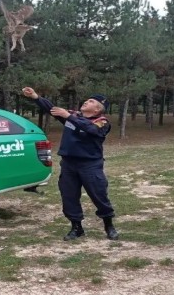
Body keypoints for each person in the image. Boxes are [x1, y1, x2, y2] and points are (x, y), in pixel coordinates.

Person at [22, 87, 118, 240]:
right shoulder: (73, 116)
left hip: (90, 165)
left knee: (99, 195)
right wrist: (36, 97)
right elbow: (52, 109)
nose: (86, 101)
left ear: (97, 109)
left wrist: (68, 116)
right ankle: (76, 227)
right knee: (69, 196)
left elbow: (91, 129)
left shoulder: (102, 122)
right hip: (69, 164)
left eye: (91, 101)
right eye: (87, 100)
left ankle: (109, 225)